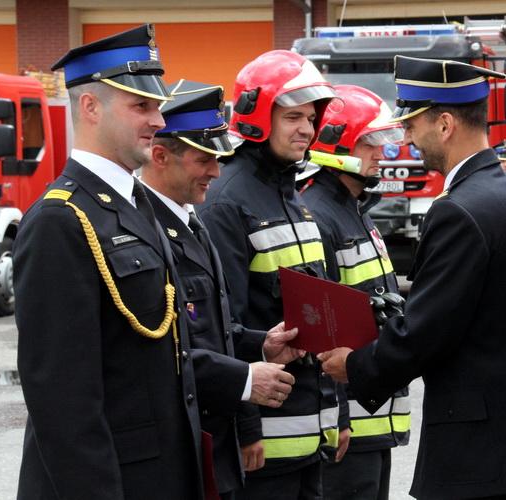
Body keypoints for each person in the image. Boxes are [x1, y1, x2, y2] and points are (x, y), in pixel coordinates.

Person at [319, 55, 506, 500]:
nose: (407, 139)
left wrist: (355, 366)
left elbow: (426, 330)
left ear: (445, 124)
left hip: (481, 456)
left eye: (413, 125)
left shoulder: (458, 210)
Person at [14, 25, 205, 499]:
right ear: (90, 107)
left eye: (157, 106)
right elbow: (63, 400)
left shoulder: (135, 203)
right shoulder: (62, 220)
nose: (158, 120)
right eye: (141, 106)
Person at [140, 79, 306, 499]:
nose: (216, 172)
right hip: (181, 448)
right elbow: (157, 353)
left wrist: (261, 344)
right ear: (160, 156)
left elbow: (212, 329)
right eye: (204, 159)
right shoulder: (144, 230)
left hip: (214, 444)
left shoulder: (190, 223)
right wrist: (245, 378)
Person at [198, 50, 349, 499]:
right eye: (293, 117)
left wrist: (337, 414)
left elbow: (321, 319)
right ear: (257, 117)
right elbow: (224, 327)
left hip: (310, 437)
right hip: (265, 444)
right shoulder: (227, 200)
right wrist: (246, 427)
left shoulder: (293, 196)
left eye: (312, 118)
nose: (306, 129)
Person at [301, 84, 410, 500]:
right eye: (369, 143)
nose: (382, 153)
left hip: (372, 420)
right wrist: (338, 415)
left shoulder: (355, 209)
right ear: (336, 144)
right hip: (350, 428)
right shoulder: (320, 216)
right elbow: (321, 333)